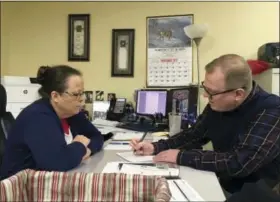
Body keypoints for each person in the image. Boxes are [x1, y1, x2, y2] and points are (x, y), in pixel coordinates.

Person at [130, 54, 280, 194]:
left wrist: (181, 156)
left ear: (238, 94)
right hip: (225, 182)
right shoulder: (219, 102)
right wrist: (156, 147)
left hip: (258, 192)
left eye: (211, 92)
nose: (205, 95)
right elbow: (194, 134)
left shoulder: (272, 109)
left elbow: (240, 162)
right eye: (205, 88)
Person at [0, 65, 104, 180]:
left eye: (82, 93)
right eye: (76, 94)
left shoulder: (72, 112)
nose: (82, 99)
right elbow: (58, 163)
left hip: (49, 181)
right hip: (20, 188)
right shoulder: (37, 116)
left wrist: (86, 149)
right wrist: (80, 146)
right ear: (55, 96)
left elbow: (97, 137)